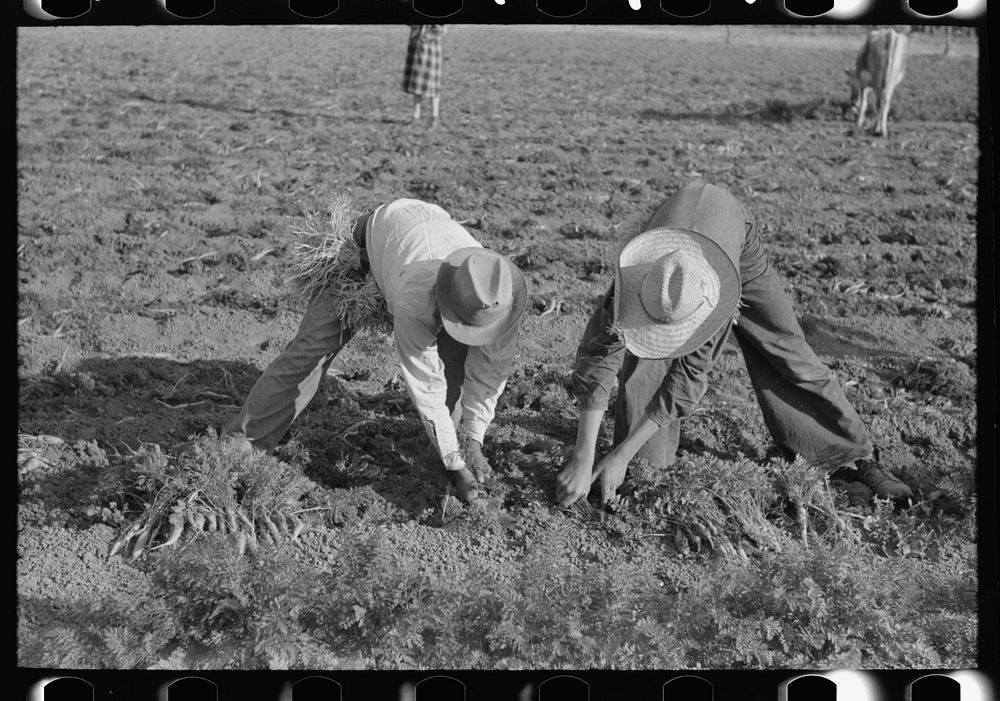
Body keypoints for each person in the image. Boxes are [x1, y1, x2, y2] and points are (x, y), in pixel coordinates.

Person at [555, 181, 913, 509]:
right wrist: (583, 455)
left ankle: (847, 453)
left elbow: (689, 377)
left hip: (732, 235)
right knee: (647, 448)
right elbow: (599, 356)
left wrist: (620, 455)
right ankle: (639, 462)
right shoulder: (639, 278)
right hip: (672, 238)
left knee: (784, 348)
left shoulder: (710, 298)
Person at [225, 198, 528, 503]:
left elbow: (490, 374)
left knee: (458, 365)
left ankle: (443, 462)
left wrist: (473, 438)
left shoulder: (498, 299)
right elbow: (426, 385)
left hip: (418, 244)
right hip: (362, 255)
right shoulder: (417, 299)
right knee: (311, 349)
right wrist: (457, 461)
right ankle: (244, 444)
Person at [402, 24, 446, 129]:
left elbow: (442, 28)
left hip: (431, 48)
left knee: (433, 84)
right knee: (416, 83)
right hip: (416, 47)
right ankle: (415, 117)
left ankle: (435, 118)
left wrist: (428, 36)